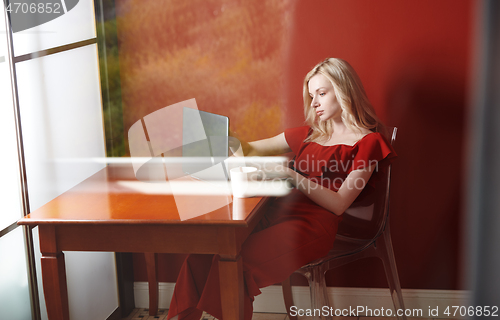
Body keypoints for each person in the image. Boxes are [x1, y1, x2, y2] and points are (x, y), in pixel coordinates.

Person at [166, 58, 397, 320]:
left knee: (234, 266)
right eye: (311, 96)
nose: (315, 103)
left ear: (344, 91)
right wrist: (221, 139)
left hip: (313, 225)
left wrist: (289, 173)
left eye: (322, 93)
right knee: (202, 254)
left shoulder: (368, 143)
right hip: (274, 209)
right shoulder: (310, 134)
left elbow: (339, 203)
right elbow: (251, 150)